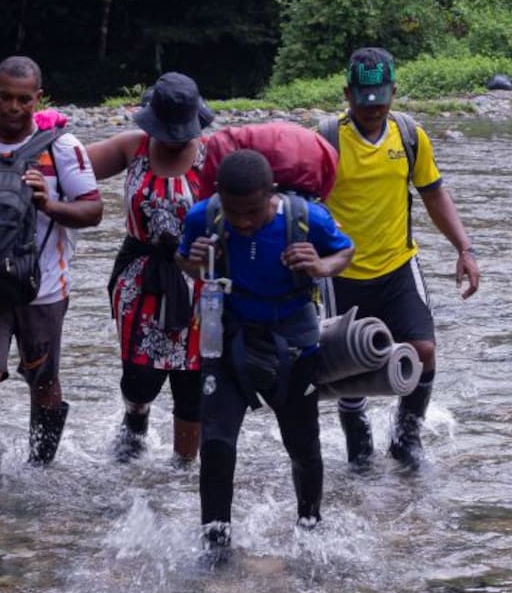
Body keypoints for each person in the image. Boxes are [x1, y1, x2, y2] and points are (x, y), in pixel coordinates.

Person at [176, 149, 354, 560]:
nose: (242, 221)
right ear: (219, 195)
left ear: (271, 193)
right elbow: (183, 259)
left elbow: (345, 252)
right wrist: (193, 261)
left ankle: (310, 527)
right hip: (228, 337)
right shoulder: (203, 217)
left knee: (303, 444)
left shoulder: (307, 218)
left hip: (294, 341)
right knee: (217, 443)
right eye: (233, 211)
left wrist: (321, 266)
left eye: (252, 212)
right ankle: (215, 543)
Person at [0, 56, 104, 487]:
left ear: (38, 99)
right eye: (5, 97)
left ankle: (40, 472)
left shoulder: (64, 148)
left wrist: (49, 203)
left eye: (23, 100)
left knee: (43, 381)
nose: (13, 107)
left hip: (43, 288)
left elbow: (93, 211)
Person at [321, 47, 480, 471]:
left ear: (393, 92)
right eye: (363, 101)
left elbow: (433, 193)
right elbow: (301, 203)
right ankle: (358, 442)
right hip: (339, 273)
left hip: (396, 266)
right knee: (347, 370)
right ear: (347, 94)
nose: (372, 110)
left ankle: (406, 434)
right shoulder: (325, 140)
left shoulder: (409, 136)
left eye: (381, 100)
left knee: (424, 349)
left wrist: (464, 248)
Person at [87, 72, 213, 466]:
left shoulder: (213, 155)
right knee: (140, 376)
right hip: (141, 274)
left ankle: (182, 467)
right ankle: (135, 416)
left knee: (192, 381)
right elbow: (69, 166)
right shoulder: (133, 147)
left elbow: (256, 192)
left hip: (199, 276)